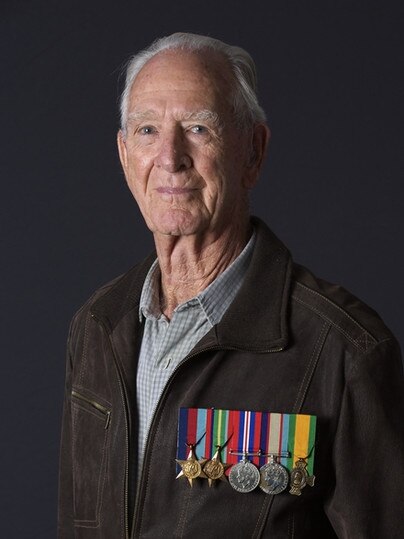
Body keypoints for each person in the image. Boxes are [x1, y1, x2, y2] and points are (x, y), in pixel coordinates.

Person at [58, 32, 404, 538]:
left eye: (198, 128)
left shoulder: (345, 351)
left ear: (253, 154)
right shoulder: (96, 325)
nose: (170, 157)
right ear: (124, 155)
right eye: (148, 130)